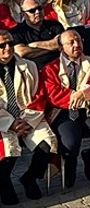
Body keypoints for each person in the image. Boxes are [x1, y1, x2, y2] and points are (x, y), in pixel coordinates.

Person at [41, 29, 90, 188]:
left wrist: (84, 94)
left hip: (89, 111)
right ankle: (70, 167)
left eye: (79, 41)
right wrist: (78, 96)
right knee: (70, 143)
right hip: (63, 112)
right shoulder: (51, 68)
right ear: (61, 48)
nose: (77, 45)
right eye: (71, 43)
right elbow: (54, 95)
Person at [0, 28, 55, 201]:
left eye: (10, 43)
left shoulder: (28, 66)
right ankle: (4, 182)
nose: (8, 48)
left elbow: (39, 96)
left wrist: (25, 121)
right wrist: (11, 123)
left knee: (47, 145)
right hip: (3, 122)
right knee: (8, 152)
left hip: (28, 117)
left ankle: (30, 178)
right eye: (2, 45)